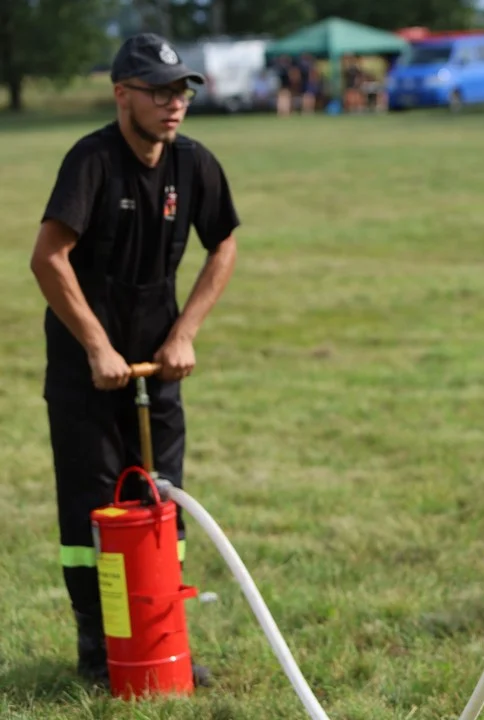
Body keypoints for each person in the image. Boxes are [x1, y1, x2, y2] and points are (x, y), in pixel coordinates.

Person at [29, 33, 240, 683]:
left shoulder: (194, 165)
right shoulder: (91, 161)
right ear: (123, 95)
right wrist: (97, 347)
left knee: (160, 509)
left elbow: (224, 243)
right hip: (85, 368)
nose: (174, 103)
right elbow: (48, 257)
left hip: (157, 365)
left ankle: (159, 638)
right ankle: (100, 650)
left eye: (181, 90)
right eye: (158, 90)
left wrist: (184, 334)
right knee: (91, 516)